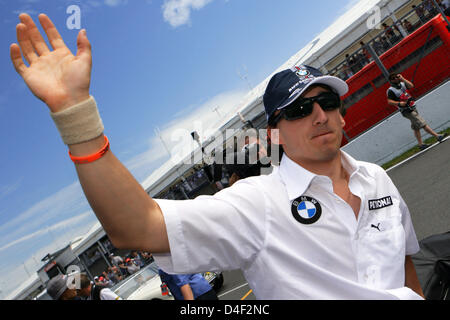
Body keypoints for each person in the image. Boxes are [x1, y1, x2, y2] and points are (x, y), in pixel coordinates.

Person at [10, 13, 426, 299]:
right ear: (274, 133)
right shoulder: (258, 203)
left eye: (328, 101)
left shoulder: (375, 177)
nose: (319, 115)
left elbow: (404, 265)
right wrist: (76, 117)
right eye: (299, 109)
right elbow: (138, 228)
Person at [386, 73, 445, 150]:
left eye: (397, 77)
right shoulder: (391, 90)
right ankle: (437, 136)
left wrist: (402, 78)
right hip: (406, 110)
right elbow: (389, 101)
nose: (396, 79)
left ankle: (421, 145)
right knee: (422, 123)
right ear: (391, 80)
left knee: (416, 127)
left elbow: (411, 86)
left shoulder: (402, 84)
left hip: (412, 107)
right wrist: (399, 103)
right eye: (394, 78)